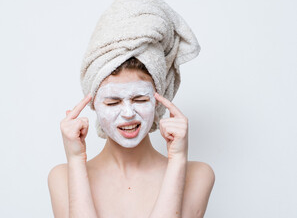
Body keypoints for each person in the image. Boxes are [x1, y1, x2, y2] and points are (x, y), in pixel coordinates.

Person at [48, 57, 215, 218]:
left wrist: (178, 158)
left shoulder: (197, 175)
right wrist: (76, 159)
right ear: (94, 105)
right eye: (113, 103)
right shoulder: (63, 177)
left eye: (140, 99)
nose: (128, 114)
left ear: (157, 102)